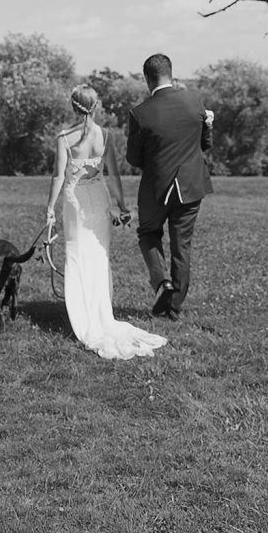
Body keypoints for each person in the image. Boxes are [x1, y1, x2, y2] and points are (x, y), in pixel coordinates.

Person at [45, 84, 168, 359]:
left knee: (77, 257)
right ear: (96, 106)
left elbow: (58, 176)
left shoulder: (64, 137)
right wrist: (121, 205)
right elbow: (113, 176)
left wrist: (50, 208)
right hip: (98, 201)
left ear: (73, 107)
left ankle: (84, 317)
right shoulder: (106, 136)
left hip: (75, 202)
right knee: (99, 258)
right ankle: (101, 314)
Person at [127, 53, 214, 321]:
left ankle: (161, 283)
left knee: (148, 233)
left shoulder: (140, 113)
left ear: (146, 79)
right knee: (182, 246)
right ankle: (173, 306)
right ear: (171, 73)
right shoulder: (194, 102)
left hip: (156, 188)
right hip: (190, 186)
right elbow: (204, 144)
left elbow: (133, 158)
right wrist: (209, 126)